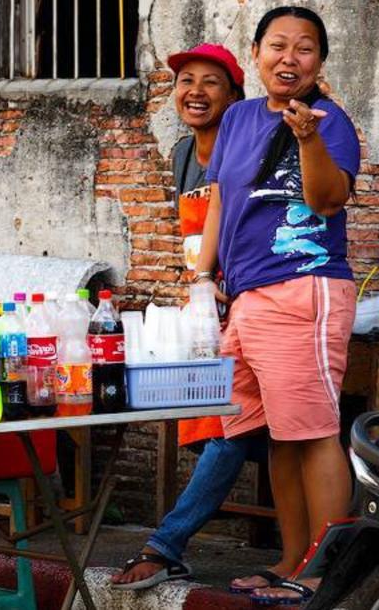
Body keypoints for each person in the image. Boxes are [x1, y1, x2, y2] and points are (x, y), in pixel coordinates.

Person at [197, 7, 359, 606]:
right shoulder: (237, 116)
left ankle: (326, 570)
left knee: (314, 433)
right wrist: (202, 274)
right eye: (278, 45)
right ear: (258, 53)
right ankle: (293, 558)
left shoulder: (330, 121)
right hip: (248, 298)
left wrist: (307, 137)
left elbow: (326, 200)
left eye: (305, 48)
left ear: (320, 61)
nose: (289, 58)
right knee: (277, 436)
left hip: (303, 290)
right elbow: (220, 200)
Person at [111, 44, 272, 590]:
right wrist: (199, 292)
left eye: (211, 82)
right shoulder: (182, 153)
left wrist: (224, 289)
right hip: (205, 302)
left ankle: (167, 543)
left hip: (247, 299)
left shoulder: (247, 148)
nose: (195, 91)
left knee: (226, 424)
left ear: (234, 95)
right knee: (213, 419)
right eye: (185, 80)